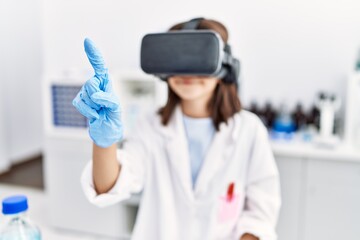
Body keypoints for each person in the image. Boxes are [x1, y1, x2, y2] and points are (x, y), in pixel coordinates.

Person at [73, 18, 281, 240]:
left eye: (198, 57)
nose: (186, 71)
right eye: (177, 57)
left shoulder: (249, 130)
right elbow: (109, 187)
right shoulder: (149, 125)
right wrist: (105, 144)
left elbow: (260, 214)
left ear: (225, 67)